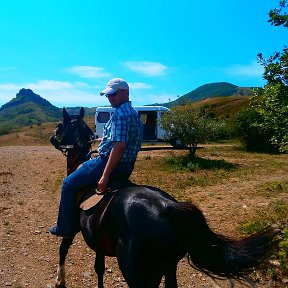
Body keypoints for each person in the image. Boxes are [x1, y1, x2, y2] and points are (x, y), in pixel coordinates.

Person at [49, 78, 143, 237]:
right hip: (127, 166)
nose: (110, 98)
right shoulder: (133, 113)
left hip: (107, 163)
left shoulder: (119, 114)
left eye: (113, 95)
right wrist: (103, 139)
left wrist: (105, 176)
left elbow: (119, 146)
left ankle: (63, 228)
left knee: (67, 184)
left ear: (125, 93)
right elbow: (125, 139)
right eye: (108, 96)